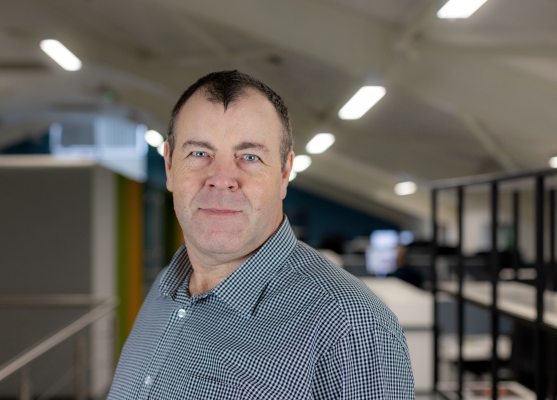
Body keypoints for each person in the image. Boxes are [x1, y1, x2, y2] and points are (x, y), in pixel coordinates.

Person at [107, 71, 415, 399]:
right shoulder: (168, 284)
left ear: (284, 173)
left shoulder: (351, 327)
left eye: (250, 157)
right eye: (199, 153)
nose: (222, 178)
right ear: (169, 165)